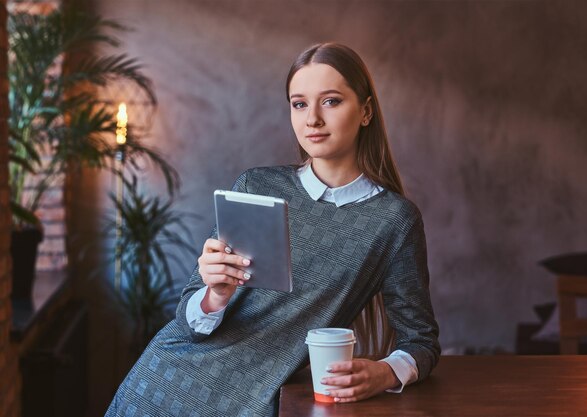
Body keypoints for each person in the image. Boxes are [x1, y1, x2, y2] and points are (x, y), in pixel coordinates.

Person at [106, 42, 440, 417]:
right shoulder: (255, 186)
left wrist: (383, 373)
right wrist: (214, 294)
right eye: (299, 104)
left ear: (365, 112)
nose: (311, 119)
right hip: (163, 381)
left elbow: (421, 342)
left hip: (256, 401)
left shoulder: (394, 220)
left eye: (330, 101)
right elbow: (188, 318)